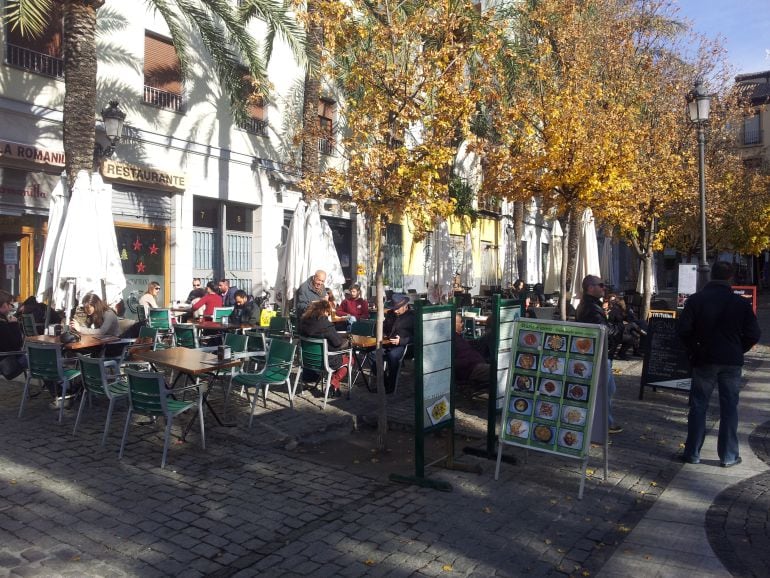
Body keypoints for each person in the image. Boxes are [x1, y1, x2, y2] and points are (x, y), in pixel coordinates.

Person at [677, 261, 761, 467]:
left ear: (711, 275)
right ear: (731, 278)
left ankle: (692, 452)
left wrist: (695, 349)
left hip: (704, 359)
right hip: (731, 360)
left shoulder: (696, 301)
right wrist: (738, 348)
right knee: (729, 407)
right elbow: (754, 334)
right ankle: (729, 455)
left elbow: (683, 331)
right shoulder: (740, 303)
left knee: (698, 406)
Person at [575, 275, 623, 434]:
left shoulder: (592, 305)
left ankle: (604, 421)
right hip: (599, 355)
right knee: (605, 390)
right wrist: (619, 328)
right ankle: (604, 423)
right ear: (590, 288)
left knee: (608, 389)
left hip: (601, 354)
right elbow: (603, 331)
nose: (604, 288)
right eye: (600, 285)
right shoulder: (590, 307)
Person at [298, 299, 350, 397]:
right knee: (349, 360)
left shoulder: (303, 321)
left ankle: (333, 385)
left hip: (307, 360)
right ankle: (333, 383)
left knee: (338, 356)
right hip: (325, 361)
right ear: (325, 311)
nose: (328, 315)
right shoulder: (325, 324)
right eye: (328, 312)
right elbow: (337, 342)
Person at [379, 293, 415, 394]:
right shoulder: (391, 314)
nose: (395, 311)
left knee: (392, 355)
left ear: (405, 306)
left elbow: (418, 336)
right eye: (394, 308)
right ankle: (384, 381)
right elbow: (384, 327)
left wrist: (401, 341)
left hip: (405, 346)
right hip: (388, 343)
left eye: (398, 308)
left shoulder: (413, 317)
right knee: (372, 353)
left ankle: (391, 385)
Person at [453, 313, 490, 393]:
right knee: (498, 372)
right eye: (460, 322)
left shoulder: (458, 337)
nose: (462, 324)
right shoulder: (452, 339)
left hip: (475, 366)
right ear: (453, 324)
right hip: (471, 369)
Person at [0, 289, 27, 380]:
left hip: (5, 359)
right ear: (3, 305)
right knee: (40, 360)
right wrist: (14, 325)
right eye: (10, 305)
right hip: (8, 364)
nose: (12, 308)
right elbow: (16, 346)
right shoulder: (2, 324)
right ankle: (59, 389)